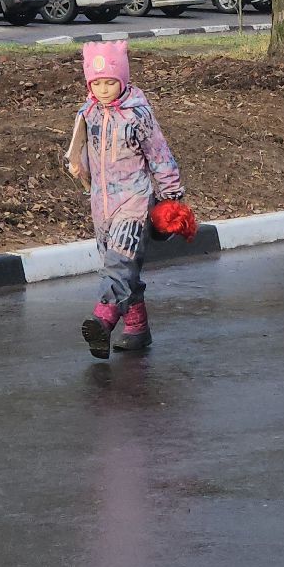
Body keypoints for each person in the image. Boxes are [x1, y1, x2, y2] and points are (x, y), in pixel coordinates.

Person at [67, 41, 186, 358]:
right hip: (101, 206)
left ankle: (102, 320)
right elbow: (84, 154)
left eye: (110, 82)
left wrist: (171, 198)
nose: (104, 89)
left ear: (123, 79)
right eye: (97, 83)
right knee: (120, 267)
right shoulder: (88, 113)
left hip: (135, 202)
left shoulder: (138, 116)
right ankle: (136, 329)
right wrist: (78, 166)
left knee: (119, 265)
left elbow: (160, 157)